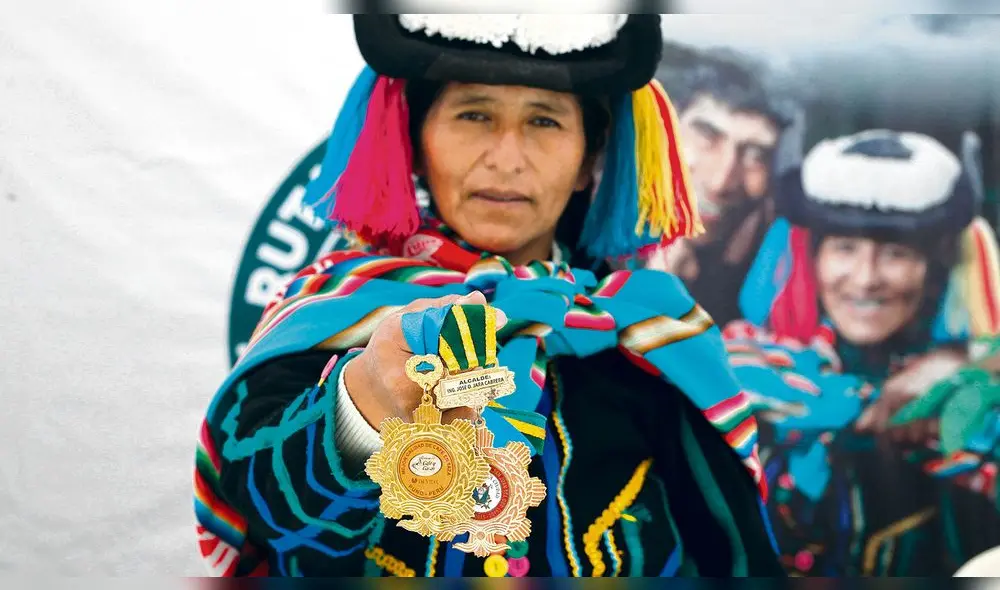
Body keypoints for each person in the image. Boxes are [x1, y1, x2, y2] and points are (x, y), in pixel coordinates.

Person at [193, 15, 785, 577]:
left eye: (545, 121)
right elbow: (267, 524)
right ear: (417, 144)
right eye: (474, 115)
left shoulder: (644, 336)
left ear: (588, 160)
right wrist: (363, 406)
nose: (506, 159)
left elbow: (734, 557)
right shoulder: (334, 313)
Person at [723, 129, 1000, 576]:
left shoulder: (966, 383)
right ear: (812, 259)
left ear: (933, 270)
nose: (866, 278)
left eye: (895, 253)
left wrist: (965, 375)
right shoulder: (751, 354)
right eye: (845, 249)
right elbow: (743, 383)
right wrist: (897, 398)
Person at [644, 45, 790, 327]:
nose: (720, 182)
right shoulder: (581, 225)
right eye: (707, 137)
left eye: (756, 155)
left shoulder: (779, 255)